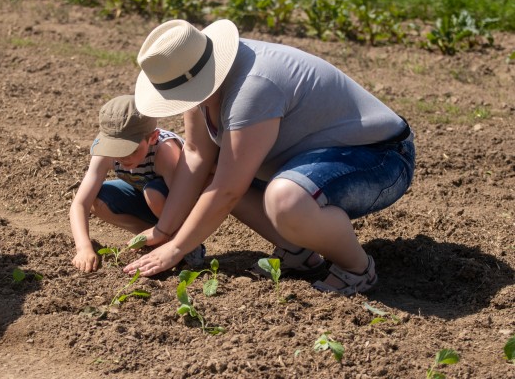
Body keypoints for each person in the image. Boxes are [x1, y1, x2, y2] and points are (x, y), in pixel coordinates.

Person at [123, 19, 415, 296]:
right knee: (217, 171)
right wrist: (165, 230)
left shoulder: (252, 87)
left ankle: (357, 269)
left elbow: (227, 189)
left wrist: (175, 248)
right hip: (311, 161)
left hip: (381, 157)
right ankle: (297, 250)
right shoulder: (202, 78)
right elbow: (197, 156)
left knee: (286, 199)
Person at [70, 95, 206, 273]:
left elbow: (184, 202)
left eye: (131, 150)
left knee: (153, 193)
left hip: (178, 206)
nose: (123, 157)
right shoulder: (104, 152)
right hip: (145, 199)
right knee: (98, 199)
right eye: (116, 149)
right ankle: (153, 240)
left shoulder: (165, 151)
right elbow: (80, 204)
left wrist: (169, 233)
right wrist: (84, 248)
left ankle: (187, 246)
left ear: (152, 137)